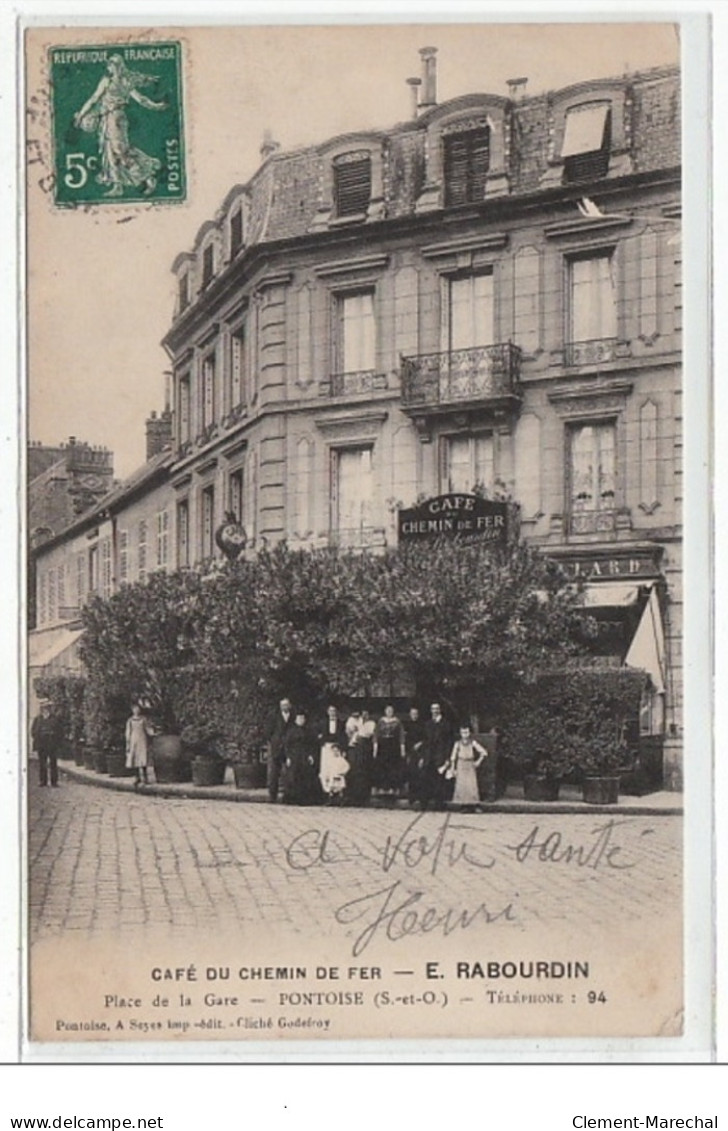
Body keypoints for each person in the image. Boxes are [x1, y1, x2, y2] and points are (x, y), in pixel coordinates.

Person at [73, 55, 167, 197]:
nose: (110, 68)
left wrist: (156, 106)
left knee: (120, 151)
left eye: (112, 65)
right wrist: (81, 114)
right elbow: (94, 99)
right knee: (110, 152)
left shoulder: (123, 81)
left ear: (117, 66)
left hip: (116, 118)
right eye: (109, 66)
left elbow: (140, 99)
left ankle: (148, 175)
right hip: (107, 118)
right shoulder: (110, 80)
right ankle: (118, 186)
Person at [414, 702, 453, 810]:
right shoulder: (428, 724)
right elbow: (425, 741)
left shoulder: (446, 724)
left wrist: (447, 758)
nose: (435, 711)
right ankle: (424, 803)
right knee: (425, 779)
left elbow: (448, 742)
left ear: (440, 710)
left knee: (439, 781)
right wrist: (422, 757)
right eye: (433, 709)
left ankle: (439, 804)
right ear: (430, 711)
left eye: (437, 709)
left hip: (440, 756)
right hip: (428, 756)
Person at [280, 710, 321, 806]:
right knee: (293, 776)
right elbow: (286, 745)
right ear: (295, 720)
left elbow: (313, 745)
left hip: (304, 756)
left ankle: (304, 799)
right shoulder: (291, 731)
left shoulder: (309, 731)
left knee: (305, 776)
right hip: (294, 756)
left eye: (302, 718)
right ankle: (292, 798)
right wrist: (288, 757)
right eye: (299, 718)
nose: (301, 720)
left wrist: (311, 755)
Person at [445, 724, 489, 809]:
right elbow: (453, 757)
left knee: (471, 784)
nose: (464, 734)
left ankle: (472, 804)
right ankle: (463, 804)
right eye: (462, 732)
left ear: (469, 733)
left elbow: (484, 752)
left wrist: (478, 761)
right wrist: (453, 768)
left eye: (466, 732)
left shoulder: (473, 743)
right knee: (462, 785)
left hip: (470, 765)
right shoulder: (457, 743)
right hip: (461, 764)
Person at [373, 705, 406, 794]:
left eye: (391, 710)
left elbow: (401, 735)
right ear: (385, 711)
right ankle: (382, 788)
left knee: (393, 767)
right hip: (383, 746)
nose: (389, 712)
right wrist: (375, 747)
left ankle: (393, 788)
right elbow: (376, 734)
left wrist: (402, 747)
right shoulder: (381, 721)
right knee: (382, 766)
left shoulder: (397, 722)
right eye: (388, 710)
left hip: (393, 746)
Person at [344, 710, 374, 807]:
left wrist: (358, 730)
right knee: (353, 771)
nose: (364, 716)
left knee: (363, 773)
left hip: (364, 749)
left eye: (366, 714)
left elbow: (367, 734)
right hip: (353, 749)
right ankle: (352, 796)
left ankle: (363, 797)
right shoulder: (353, 721)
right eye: (363, 714)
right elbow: (349, 732)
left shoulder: (371, 723)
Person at [267, 697, 294, 803]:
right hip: (277, 747)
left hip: (289, 746)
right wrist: (274, 741)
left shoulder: (293, 716)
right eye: (282, 705)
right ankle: (272, 795)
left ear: (290, 706)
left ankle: (287, 795)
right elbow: (268, 732)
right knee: (274, 772)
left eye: (286, 705)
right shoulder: (274, 716)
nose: (285, 707)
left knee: (288, 771)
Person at [31, 700, 61, 787]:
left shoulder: (55, 719)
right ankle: (43, 781)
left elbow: (60, 732)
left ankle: (54, 782)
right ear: (41, 709)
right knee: (42, 763)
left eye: (47, 708)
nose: (46, 709)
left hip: (52, 744)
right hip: (42, 744)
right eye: (44, 708)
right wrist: (38, 737)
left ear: (50, 709)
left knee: (53, 763)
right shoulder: (38, 719)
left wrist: (55, 739)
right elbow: (33, 731)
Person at [125, 702, 155, 787]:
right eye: (135, 709)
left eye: (138, 709)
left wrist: (152, 733)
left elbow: (147, 729)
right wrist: (128, 742)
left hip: (142, 739)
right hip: (134, 740)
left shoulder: (143, 719)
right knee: (135, 758)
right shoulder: (130, 721)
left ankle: (145, 778)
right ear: (132, 710)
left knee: (143, 757)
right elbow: (128, 732)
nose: (136, 710)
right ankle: (137, 777)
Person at [402, 705, 425, 805]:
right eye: (412, 714)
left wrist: (420, 743)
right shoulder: (407, 725)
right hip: (410, 752)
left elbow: (425, 738)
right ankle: (412, 797)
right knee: (411, 774)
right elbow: (404, 739)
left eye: (416, 714)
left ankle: (420, 797)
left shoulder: (422, 725)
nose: (414, 716)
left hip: (420, 752)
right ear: (410, 715)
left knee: (420, 774)